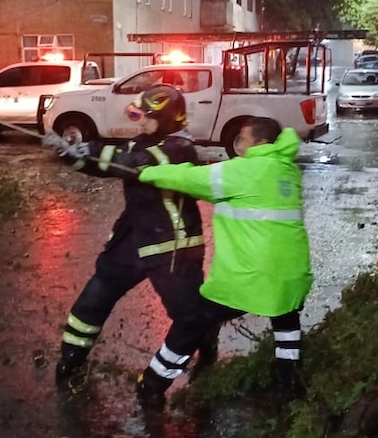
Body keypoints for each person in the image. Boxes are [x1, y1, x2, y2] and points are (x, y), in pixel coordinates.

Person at [130, 117, 313, 407]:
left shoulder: (245, 171)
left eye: (244, 136)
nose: (239, 142)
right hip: (292, 274)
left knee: (191, 320)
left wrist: (145, 172)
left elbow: (187, 179)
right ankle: (290, 386)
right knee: (286, 321)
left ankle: (152, 384)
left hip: (250, 276)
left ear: (261, 143)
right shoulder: (287, 170)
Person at [41, 85, 212, 384]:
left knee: (189, 314)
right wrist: (68, 152)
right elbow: (112, 159)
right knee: (96, 295)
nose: (140, 122)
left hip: (171, 246)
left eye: (147, 116)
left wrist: (93, 153)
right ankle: (71, 359)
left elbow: (135, 164)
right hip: (133, 237)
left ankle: (203, 356)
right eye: (138, 115)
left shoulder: (180, 149)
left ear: (168, 118)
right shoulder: (141, 143)